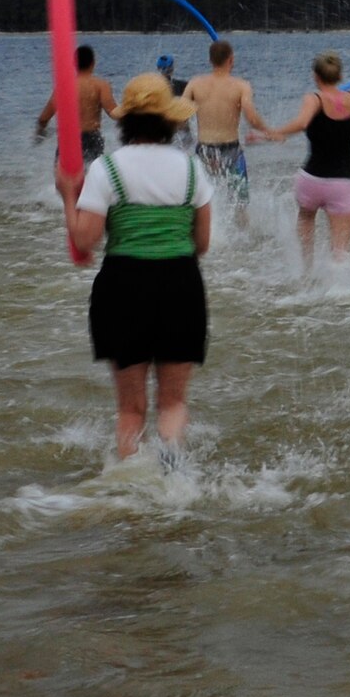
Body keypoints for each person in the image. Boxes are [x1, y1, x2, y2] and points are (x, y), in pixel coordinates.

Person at [53, 73, 212, 463]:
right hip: (180, 285)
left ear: (124, 122)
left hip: (124, 287)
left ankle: (130, 492)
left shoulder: (107, 169)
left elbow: (85, 240)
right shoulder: (192, 170)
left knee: (130, 409)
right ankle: (174, 477)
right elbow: (202, 244)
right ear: (170, 121)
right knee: (173, 404)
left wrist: (67, 194)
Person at [256, 51, 350, 270]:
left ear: (316, 76)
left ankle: (307, 270)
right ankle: (338, 288)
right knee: (340, 252)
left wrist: (273, 133)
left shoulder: (313, 99)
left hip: (311, 179)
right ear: (340, 75)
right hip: (343, 183)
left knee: (305, 218)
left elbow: (302, 123)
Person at [183, 39, 268, 209]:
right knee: (240, 206)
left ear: (210, 60)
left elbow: (179, 116)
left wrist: (186, 137)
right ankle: (241, 235)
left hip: (205, 152)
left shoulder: (194, 83)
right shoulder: (241, 86)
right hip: (232, 152)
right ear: (231, 59)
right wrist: (270, 131)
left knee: (201, 203)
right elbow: (251, 118)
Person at [36, 44, 121, 163]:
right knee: (91, 178)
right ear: (93, 63)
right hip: (92, 139)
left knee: (65, 180)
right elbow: (114, 113)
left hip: (68, 141)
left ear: (74, 64)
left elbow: (43, 119)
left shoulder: (64, 87)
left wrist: (40, 133)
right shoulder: (101, 85)